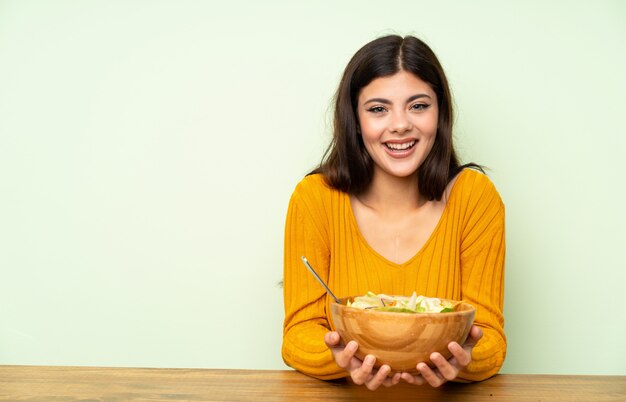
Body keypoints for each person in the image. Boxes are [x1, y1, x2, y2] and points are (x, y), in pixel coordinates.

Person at [281, 34, 506, 390]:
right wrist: (338, 359)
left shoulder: (474, 197)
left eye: (418, 106)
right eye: (378, 109)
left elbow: (490, 338)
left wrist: (465, 360)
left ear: (440, 113)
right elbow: (297, 335)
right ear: (355, 119)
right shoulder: (315, 199)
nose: (400, 124)